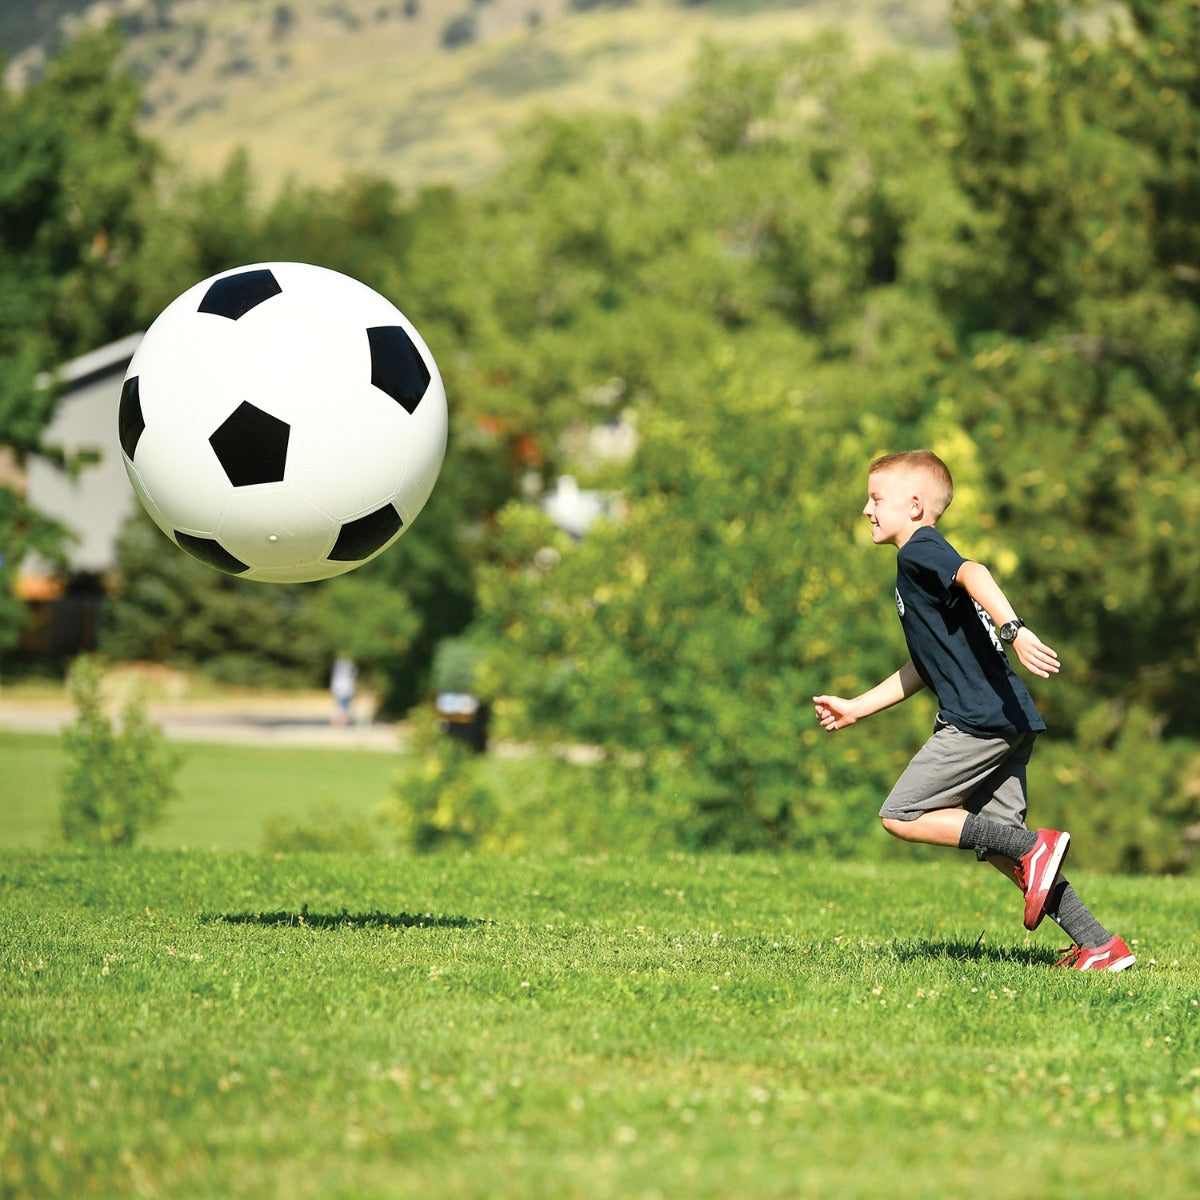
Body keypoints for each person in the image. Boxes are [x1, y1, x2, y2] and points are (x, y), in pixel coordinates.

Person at [813, 450, 1135, 972]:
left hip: (976, 721)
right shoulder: (921, 570)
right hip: (1008, 717)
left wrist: (1014, 628)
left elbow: (975, 571)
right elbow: (923, 667)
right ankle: (1099, 945)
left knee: (901, 814)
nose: (866, 510)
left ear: (915, 505)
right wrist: (856, 708)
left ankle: (1035, 847)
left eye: (876, 499)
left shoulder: (918, 551)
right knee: (1012, 856)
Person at [329, 654, 357, 726]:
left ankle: (336, 722)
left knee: (338, 705)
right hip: (347, 688)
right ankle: (343, 723)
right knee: (345, 706)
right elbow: (352, 678)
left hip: (337, 688)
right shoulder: (350, 665)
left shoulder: (337, 665)